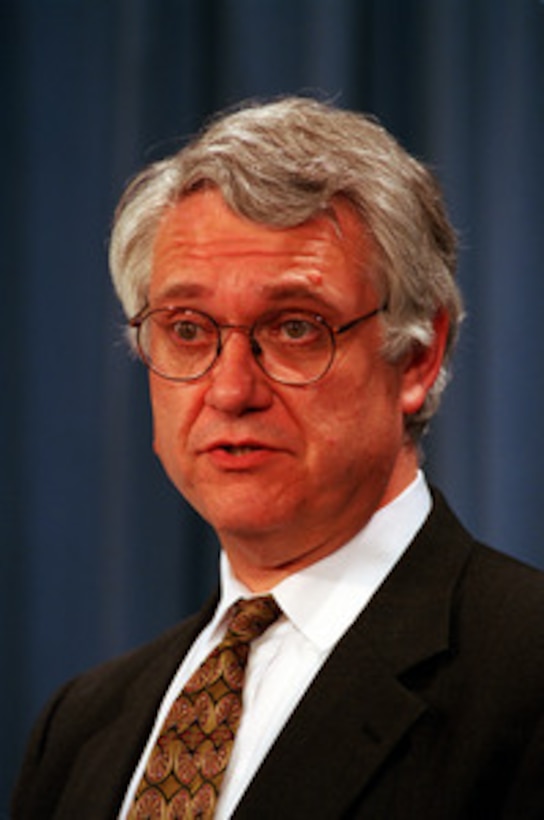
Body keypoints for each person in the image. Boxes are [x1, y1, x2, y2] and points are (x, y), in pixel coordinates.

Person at [12, 97, 544, 819]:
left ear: (417, 358)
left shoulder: (525, 671)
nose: (229, 389)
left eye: (296, 327)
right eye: (188, 329)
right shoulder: (80, 726)